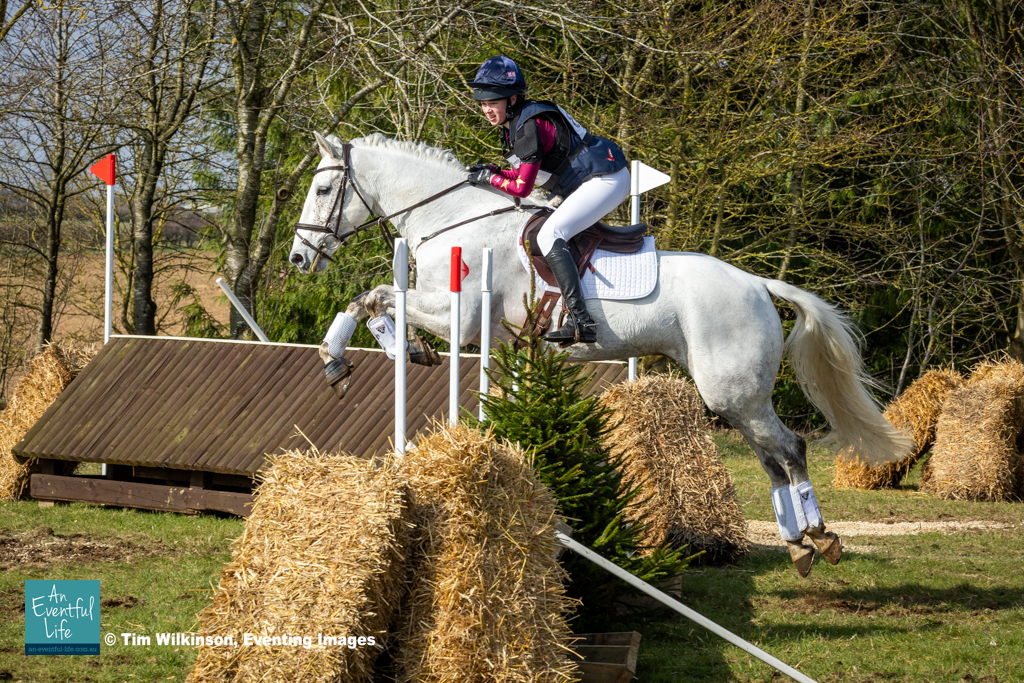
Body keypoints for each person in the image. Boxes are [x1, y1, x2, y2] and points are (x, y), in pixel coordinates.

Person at [466, 56, 630, 345]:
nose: (487, 110)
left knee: (550, 234)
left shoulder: (529, 126)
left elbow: (522, 188)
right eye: (483, 103)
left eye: (492, 102)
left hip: (605, 178)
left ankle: (581, 321)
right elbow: (527, 174)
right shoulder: (519, 121)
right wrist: (494, 172)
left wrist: (490, 179)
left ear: (512, 99)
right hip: (589, 179)